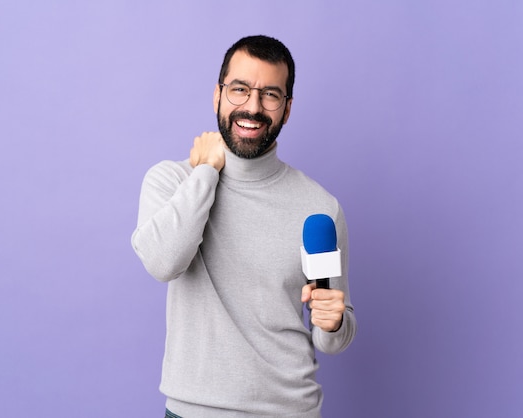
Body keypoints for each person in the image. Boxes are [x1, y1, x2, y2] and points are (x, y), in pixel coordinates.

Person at [132, 35, 357, 418]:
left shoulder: (319, 208)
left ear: (286, 109)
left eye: (270, 94)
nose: (253, 107)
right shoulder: (171, 182)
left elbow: (331, 338)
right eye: (239, 89)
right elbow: (162, 262)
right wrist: (205, 172)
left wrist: (334, 322)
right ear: (218, 95)